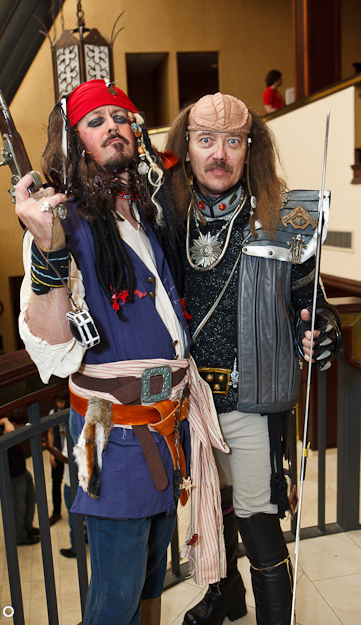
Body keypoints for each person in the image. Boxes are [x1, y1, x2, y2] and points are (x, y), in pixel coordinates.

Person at [14, 79, 228, 625]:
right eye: (95, 121)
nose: (113, 126)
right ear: (74, 143)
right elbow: (51, 346)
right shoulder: (60, 223)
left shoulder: (144, 215)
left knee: (152, 577)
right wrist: (48, 252)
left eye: (120, 117)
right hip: (104, 433)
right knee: (115, 595)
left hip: (165, 425)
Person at [165, 92, 340, 625]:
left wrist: (321, 333)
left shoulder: (283, 217)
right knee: (212, 512)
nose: (219, 154)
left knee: (258, 522)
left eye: (233, 141)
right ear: (186, 147)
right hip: (192, 402)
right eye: (206, 140)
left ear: (250, 149)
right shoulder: (167, 217)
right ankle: (226, 595)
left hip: (253, 401)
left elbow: (313, 303)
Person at [0, 408, 40, 546]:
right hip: (13, 475)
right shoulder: (1, 431)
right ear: (14, 423)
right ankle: (20, 536)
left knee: (30, 500)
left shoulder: (10, 426)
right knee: (18, 508)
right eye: (20, 425)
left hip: (22, 471)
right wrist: (6, 421)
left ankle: (27, 528)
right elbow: (9, 431)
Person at [43, 430, 77, 557]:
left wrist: (48, 448)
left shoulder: (71, 434)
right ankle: (85, 538)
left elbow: (66, 458)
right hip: (84, 480)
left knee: (74, 519)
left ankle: (76, 548)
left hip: (72, 483)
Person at [47, 394, 67, 526]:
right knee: (55, 483)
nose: (60, 404)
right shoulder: (52, 413)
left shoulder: (71, 410)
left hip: (69, 453)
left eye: (62, 401)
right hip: (57, 451)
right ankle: (56, 512)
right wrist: (51, 453)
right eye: (57, 401)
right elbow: (50, 432)